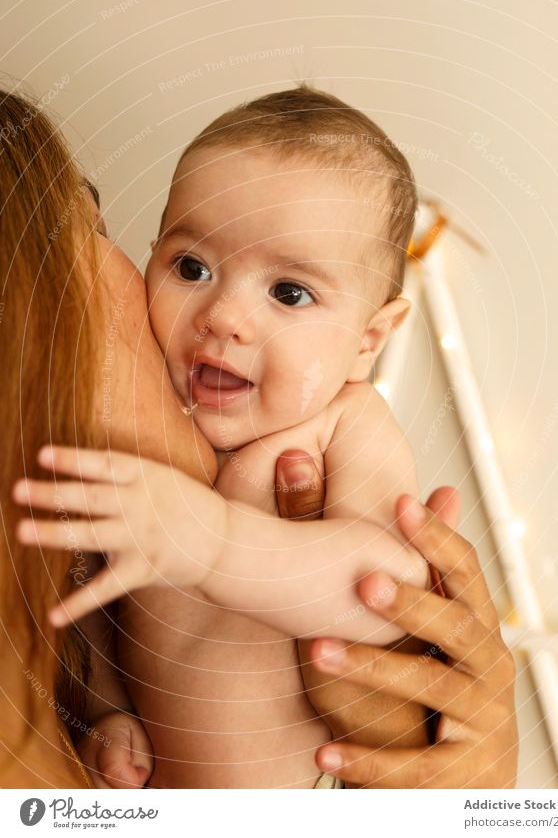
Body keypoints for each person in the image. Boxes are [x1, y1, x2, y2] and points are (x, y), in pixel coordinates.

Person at [4, 86, 518, 790]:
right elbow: (94, 620)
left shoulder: (341, 424)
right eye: (191, 268)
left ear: (369, 338)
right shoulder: (137, 459)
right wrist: (104, 711)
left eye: (289, 292)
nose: (225, 316)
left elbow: (384, 582)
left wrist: (213, 542)